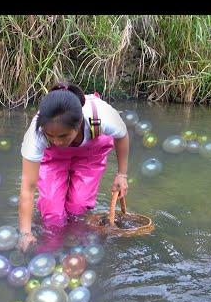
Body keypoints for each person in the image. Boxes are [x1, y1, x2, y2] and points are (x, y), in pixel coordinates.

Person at [17, 82, 130, 253]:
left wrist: (122, 174)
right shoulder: (36, 135)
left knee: (79, 206)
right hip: (53, 158)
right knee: (52, 214)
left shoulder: (101, 116)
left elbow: (122, 136)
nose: (57, 141)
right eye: (50, 136)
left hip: (90, 153)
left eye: (63, 136)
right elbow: (28, 187)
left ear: (78, 125)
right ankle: (52, 248)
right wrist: (25, 233)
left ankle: (76, 245)